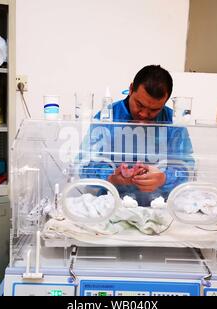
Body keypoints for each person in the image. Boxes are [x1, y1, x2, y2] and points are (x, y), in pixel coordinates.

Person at [79, 65, 194, 206]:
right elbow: (84, 165)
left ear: (165, 101)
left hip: (159, 205)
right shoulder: (108, 117)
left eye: (154, 110)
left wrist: (163, 179)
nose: (144, 114)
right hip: (113, 204)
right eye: (139, 105)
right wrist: (112, 177)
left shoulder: (173, 123)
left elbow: (187, 169)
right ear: (131, 89)